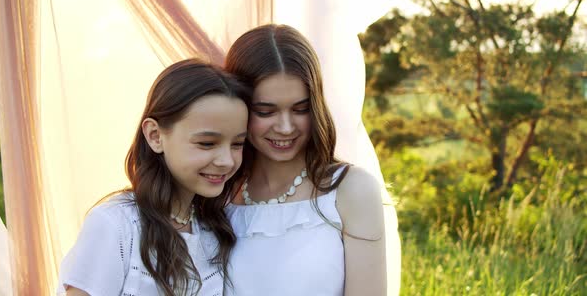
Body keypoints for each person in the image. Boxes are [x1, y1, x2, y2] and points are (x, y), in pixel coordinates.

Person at [57, 59, 250, 296]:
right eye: (207, 143)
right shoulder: (116, 225)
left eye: (237, 144)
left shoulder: (215, 230)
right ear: (155, 136)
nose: (226, 161)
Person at [224, 24, 387, 295]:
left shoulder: (351, 190)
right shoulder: (217, 192)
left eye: (300, 109)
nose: (286, 127)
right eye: (266, 111)